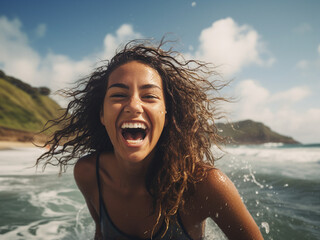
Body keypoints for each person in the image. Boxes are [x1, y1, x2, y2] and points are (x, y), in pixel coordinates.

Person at [37, 39, 264, 240]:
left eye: (149, 96)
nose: (134, 105)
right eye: (118, 95)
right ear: (102, 115)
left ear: (166, 114)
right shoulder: (89, 174)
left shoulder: (204, 186)